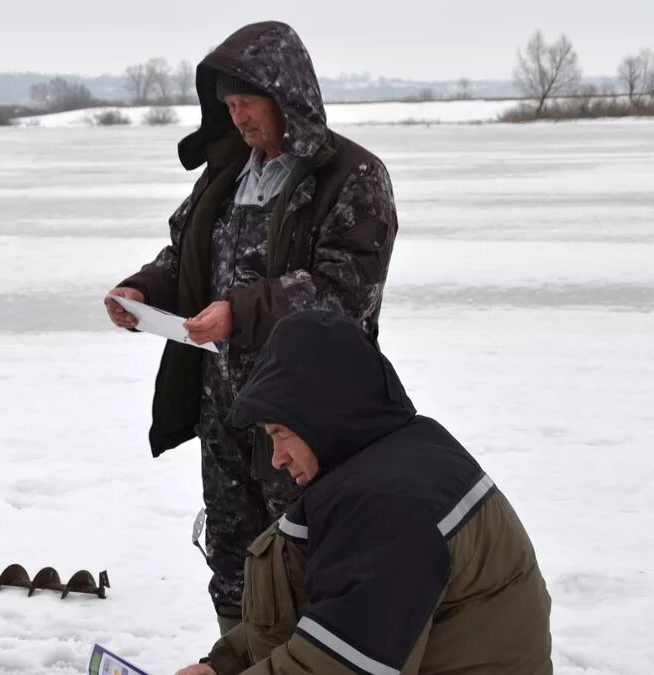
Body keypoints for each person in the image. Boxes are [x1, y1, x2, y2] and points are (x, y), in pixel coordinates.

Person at [104, 21, 399, 633]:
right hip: (227, 415)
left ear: (286, 95)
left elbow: (346, 294)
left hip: (309, 419)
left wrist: (240, 311)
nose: (237, 117)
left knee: (309, 561)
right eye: (229, 105)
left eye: (247, 102)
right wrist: (142, 292)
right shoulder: (227, 174)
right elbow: (185, 256)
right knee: (234, 565)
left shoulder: (352, 176)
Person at [174, 311, 552, 675]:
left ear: (321, 412)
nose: (277, 459)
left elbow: (341, 664)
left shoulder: (389, 507)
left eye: (280, 433)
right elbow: (327, 610)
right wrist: (222, 665)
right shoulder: (391, 459)